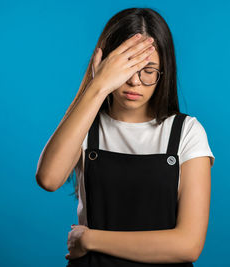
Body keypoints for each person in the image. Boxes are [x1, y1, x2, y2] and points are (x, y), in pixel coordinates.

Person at [36, 7, 215, 267]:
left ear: (164, 72)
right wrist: (96, 87)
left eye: (148, 70)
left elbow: (188, 245)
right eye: (126, 67)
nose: (135, 81)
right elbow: (49, 178)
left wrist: (90, 240)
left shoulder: (186, 132)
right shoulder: (86, 125)